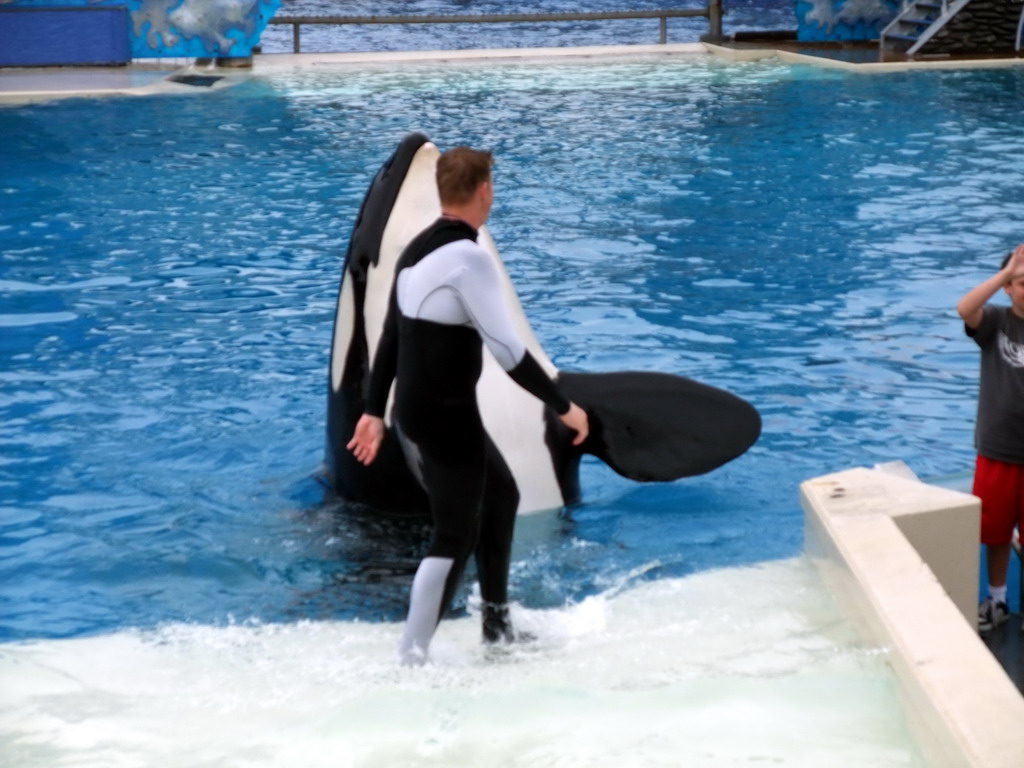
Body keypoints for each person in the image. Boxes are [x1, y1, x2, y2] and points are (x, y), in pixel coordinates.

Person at [346, 146, 589, 664]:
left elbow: (390, 336)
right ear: (484, 192)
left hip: (424, 409)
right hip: (446, 414)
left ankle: (496, 627)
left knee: (500, 497)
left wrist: (372, 411)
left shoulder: (415, 250)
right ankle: (411, 656)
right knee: (453, 534)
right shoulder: (469, 258)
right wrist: (563, 406)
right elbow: (508, 351)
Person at [957, 243, 1024, 632]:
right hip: (998, 448)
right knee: (995, 529)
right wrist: (1003, 272)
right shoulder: (995, 322)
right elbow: (965, 309)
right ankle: (997, 598)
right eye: (1021, 282)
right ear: (1007, 288)